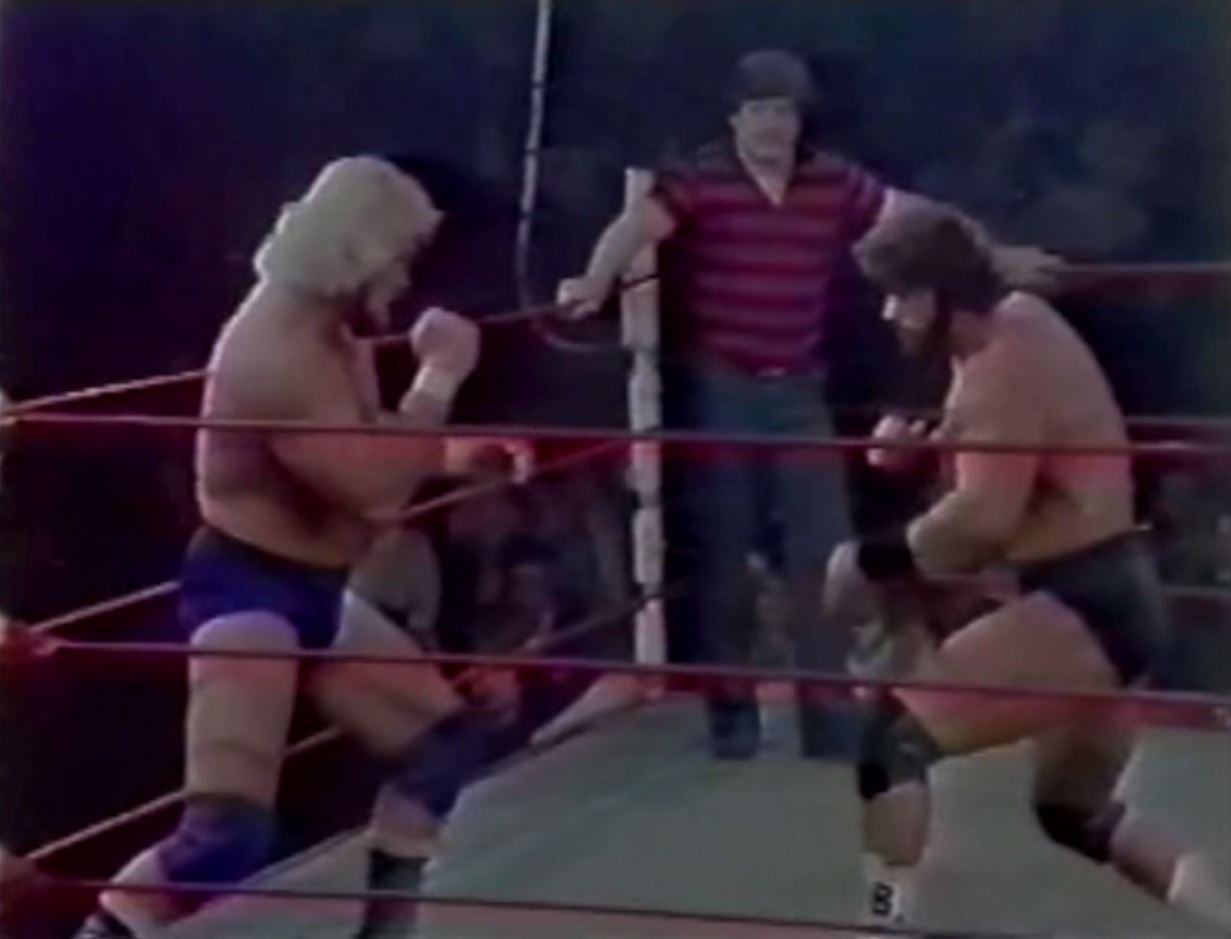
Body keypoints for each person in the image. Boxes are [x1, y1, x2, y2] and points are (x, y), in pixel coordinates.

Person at [558, 49, 1057, 760]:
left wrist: (994, 255)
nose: (772, 125)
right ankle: (732, 721)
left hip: (796, 386)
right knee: (725, 559)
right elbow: (637, 224)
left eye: (783, 111)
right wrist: (594, 278)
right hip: (723, 385)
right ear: (735, 118)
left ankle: (829, 722)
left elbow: (912, 217)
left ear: (800, 119)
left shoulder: (829, 180)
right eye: (759, 110)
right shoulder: (702, 177)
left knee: (822, 555)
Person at [73, 156, 492, 939]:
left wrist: (448, 452)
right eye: (400, 258)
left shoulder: (333, 332)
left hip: (319, 589)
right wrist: (439, 377)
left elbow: (364, 449)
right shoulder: (275, 352)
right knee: (222, 837)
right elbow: (374, 491)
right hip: (250, 592)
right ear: (362, 251)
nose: (405, 279)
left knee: (443, 745)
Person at [833, 203, 1231, 934]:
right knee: (1074, 814)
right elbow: (1001, 450)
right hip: (1114, 597)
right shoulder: (1017, 322)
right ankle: (1221, 915)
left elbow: (982, 519)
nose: (889, 313)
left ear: (940, 294)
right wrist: (917, 456)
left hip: (1080, 607)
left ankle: (882, 921)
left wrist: (875, 556)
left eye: (901, 295)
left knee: (892, 744)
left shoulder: (998, 367)